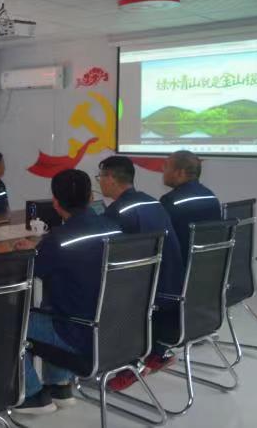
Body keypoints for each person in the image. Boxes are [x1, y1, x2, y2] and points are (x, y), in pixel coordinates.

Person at [13, 169, 121, 416]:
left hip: (78, 333)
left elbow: (33, 270)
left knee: (10, 321)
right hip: (115, 328)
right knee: (58, 303)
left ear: (56, 202)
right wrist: (43, 246)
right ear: (90, 197)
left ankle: (32, 395)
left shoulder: (59, 239)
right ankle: (60, 386)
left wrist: (33, 250)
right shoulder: (113, 227)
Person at [96, 155, 185, 391]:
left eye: (100, 177)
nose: (99, 182)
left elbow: (99, 250)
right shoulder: (152, 203)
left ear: (111, 178)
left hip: (145, 294)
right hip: (170, 285)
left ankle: (127, 363)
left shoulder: (118, 211)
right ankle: (155, 351)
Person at [160, 150, 221, 260]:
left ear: (180, 173)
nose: (163, 170)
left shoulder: (170, 201)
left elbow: (160, 239)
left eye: (167, 166)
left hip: (180, 265)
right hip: (206, 263)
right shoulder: (211, 196)